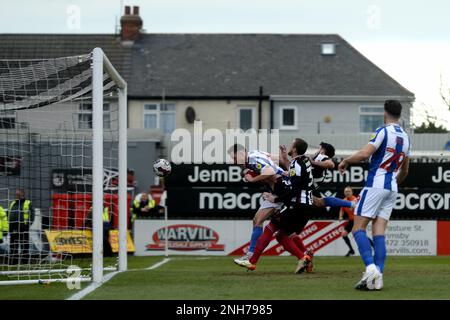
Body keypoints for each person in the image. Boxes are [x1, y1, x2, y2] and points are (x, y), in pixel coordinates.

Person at [338, 100, 410, 291]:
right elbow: (405, 170)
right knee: (379, 232)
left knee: (358, 228)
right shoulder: (406, 137)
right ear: (400, 115)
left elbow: (364, 154)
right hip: (392, 187)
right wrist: (392, 183)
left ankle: (370, 269)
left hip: (376, 185)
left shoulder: (382, 131)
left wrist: (345, 160)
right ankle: (377, 278)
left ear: (385, 113)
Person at [235, 138, 315, 274]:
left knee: (270, 227)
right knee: (283, 234)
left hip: (297, 205)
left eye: (292, 144)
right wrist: (284, 160)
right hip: (305, 205)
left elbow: (292, 187)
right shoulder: (303, 161)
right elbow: (292, 172)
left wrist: (275, 197)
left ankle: (251, 259)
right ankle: (304, 257)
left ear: (294, 149)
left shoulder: (295, 164)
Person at [227, 144, 285, 263]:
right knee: (258, 221)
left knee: (263, 222)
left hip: (281, 189)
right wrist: (287, 170)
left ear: (242, 153)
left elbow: (270, 171)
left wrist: (253, 179)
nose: (234, 161)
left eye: (234, 158)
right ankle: (304, 255)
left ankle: (251, 255)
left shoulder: (252, 160)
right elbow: (276, 158)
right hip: (276, 189)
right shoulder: (255, 153)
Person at [8, 189, 34, 265]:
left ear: (22, 195)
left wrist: (27, 225)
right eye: (16, 194)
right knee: (13, 246)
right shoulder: (12, 203)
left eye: (18, 194)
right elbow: (9, 215)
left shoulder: (28, 203)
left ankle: (25, 263)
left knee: (25, 246)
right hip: (13, 228)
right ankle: (13, 262)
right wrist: (9, 226)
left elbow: (32, 216)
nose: (16, 196)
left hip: (24, 228)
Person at [338, 186, 357, 257]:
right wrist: (340, 216)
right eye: (346, 191)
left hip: (357, 220)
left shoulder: (355, 199)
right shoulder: (344, 200)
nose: (347, 193)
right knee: (343, 234)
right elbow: (341, 209)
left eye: (349, 191)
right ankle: (351, 250)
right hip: (351, 221)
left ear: (352, 192)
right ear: (344, 193)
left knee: (360, 235)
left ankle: (373, 246)